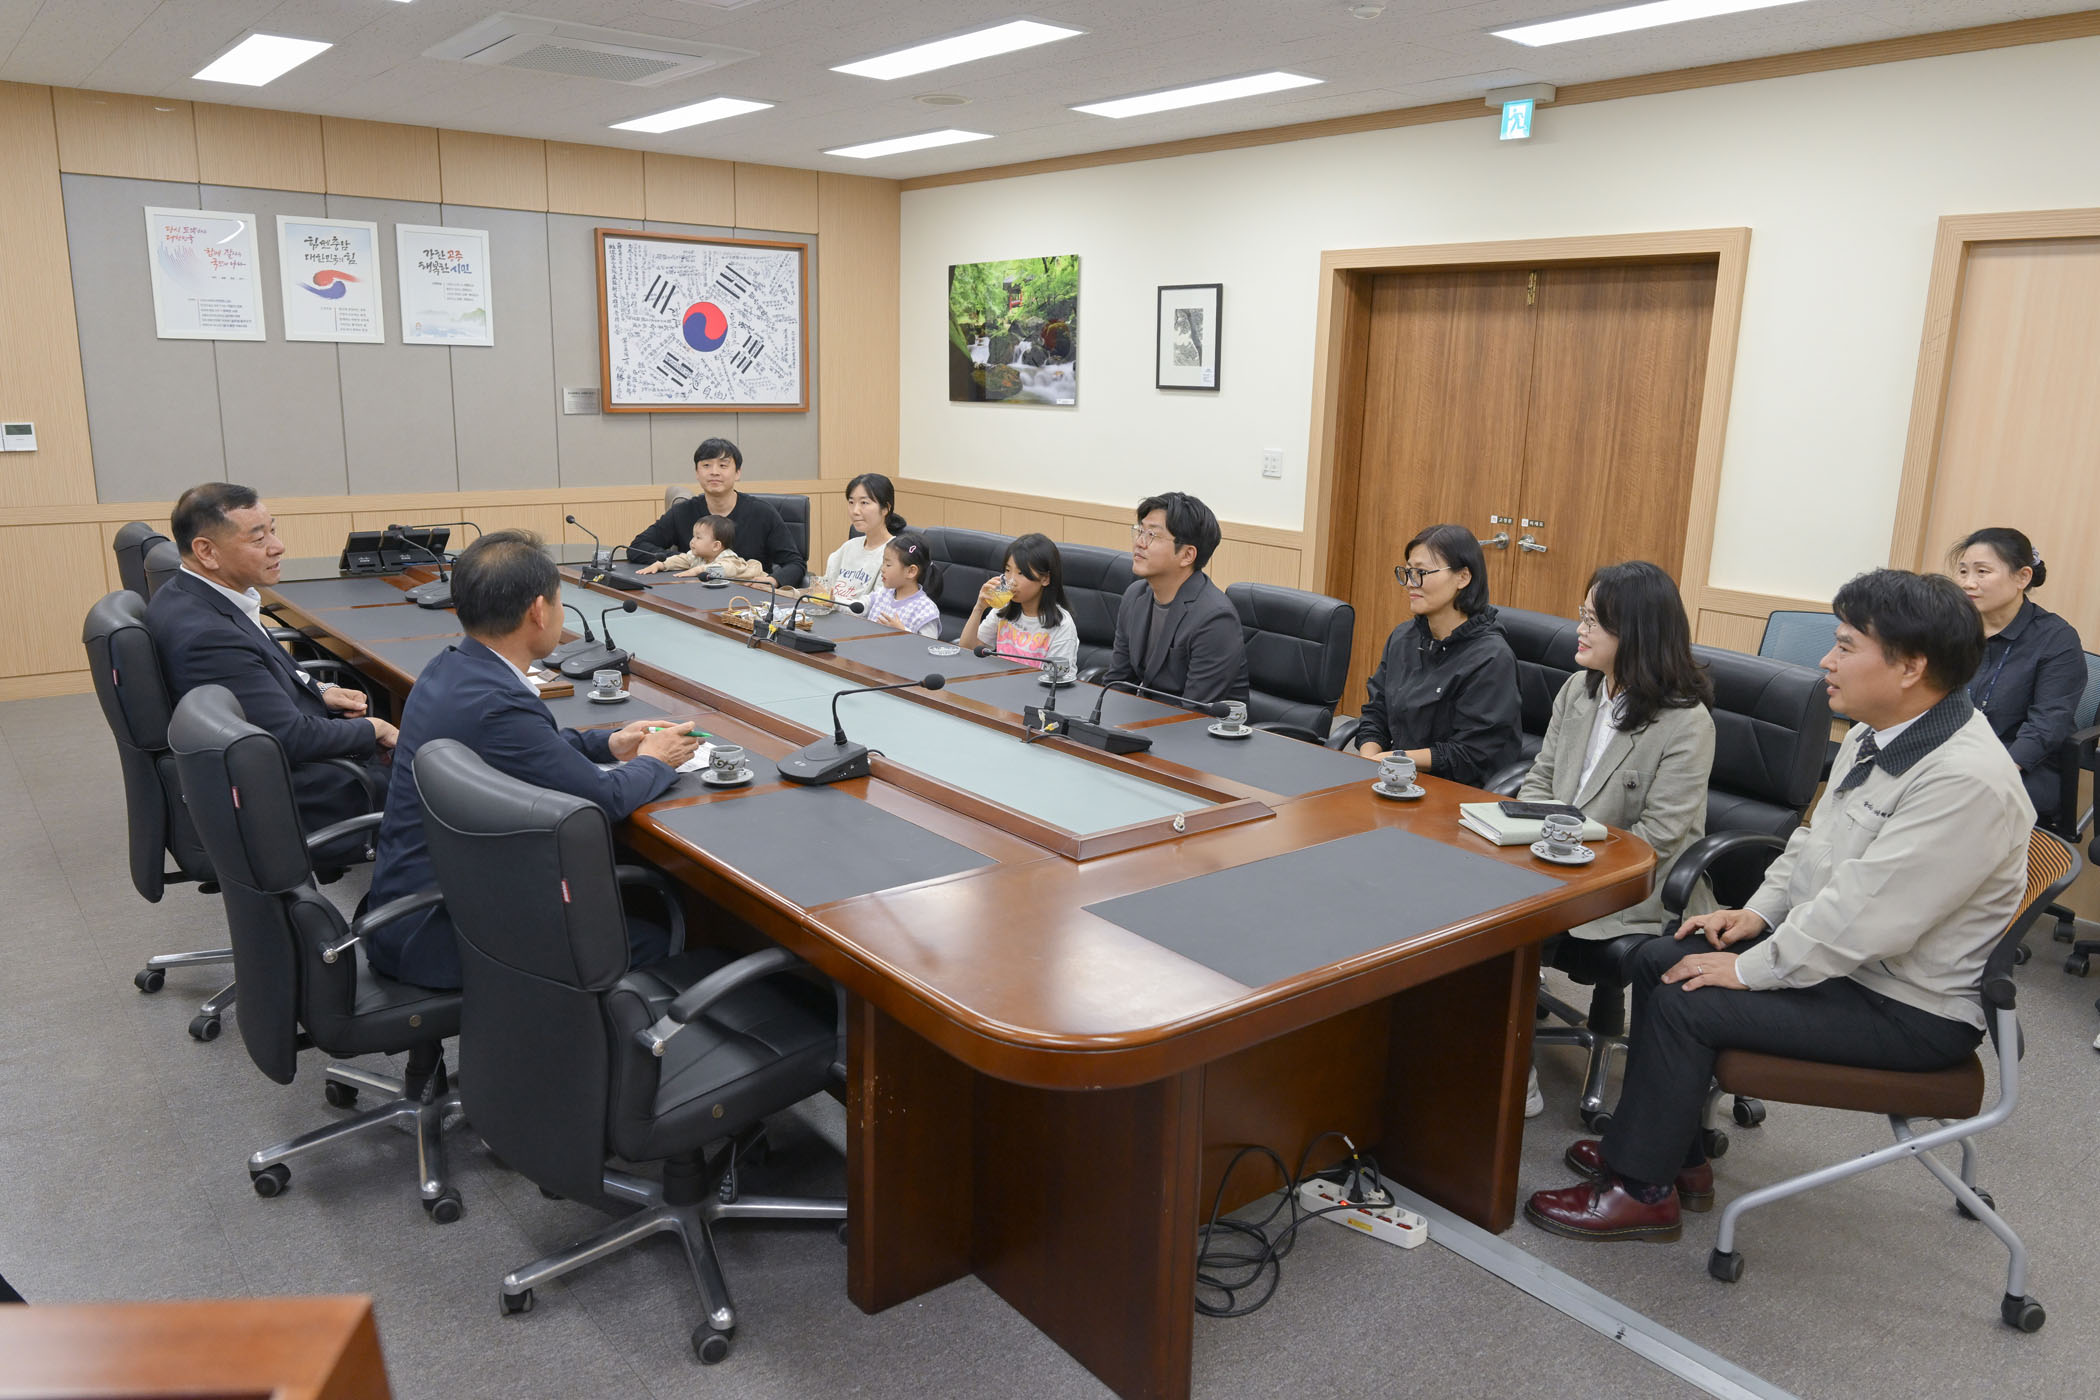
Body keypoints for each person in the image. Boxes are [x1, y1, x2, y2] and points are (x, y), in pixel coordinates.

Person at [1525, 569, 2031, 1244]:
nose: (1826, 661)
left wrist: (1749, 968)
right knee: (1660, 957)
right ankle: (1676, 1156)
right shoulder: (1878, 734)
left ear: (1910, 667)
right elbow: (1810, 847)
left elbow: (1864, 916)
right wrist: (1758, 915)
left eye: (1846, 646)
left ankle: (1640, 1190)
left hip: (1907, 1006)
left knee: (1687, 996)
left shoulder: (1964, 780)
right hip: (1847, 965)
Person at [363, 531, 702, 991]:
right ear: (539, 611)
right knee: (654, 935)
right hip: (441, 934)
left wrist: (609, 744)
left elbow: (532, 747)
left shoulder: (453, 667)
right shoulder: (500, 704)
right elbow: (604, 799)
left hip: (411, 910)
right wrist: (657, 760)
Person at [1518, 562, 1716, 1116]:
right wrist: (1535, 842)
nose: (1579, 630)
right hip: (1555, 862)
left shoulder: (1686, 723)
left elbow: (1660, 837)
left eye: (1593, 621)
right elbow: (1539, 781)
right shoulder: (1577, 691)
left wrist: (1565, 861)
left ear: (1636, 634)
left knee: (1506, 930)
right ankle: (1498, 1057)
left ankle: (1512, 1074)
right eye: (1581, 616)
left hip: (1637, 886)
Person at [147, 482, 394, 846]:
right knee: (432, 783)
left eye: (273, 531)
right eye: (258, 538)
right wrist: (374, 728)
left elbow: (264, 667)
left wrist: (321, 689)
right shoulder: (208, 636)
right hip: (295, 794)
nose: (278, 546)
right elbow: (290, 738)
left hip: (276, 764)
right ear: (207, 551)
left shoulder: (198, 595)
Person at [1353, 523, 1519, 787]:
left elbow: (1471, 753)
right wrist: (1368, 759)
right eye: (1408, 572)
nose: (1410, 583)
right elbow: (1376, 712)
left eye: (1421, 573)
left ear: (1463, 577)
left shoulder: (1491, 657)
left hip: (1459, 790)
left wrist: (1394, 759)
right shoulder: (1403, 637)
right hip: (1397, 779)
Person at [1948, 527, 2085, 824]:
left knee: (1960, 808)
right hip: (1953, 755)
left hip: (2023, 765)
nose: (1968, 582)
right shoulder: (1951, 627)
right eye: (1963, 571)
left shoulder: (2056, 638)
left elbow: (2048, 723)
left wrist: (1994, 773)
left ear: (2022, 577)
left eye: (1982, 571)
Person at [1105, 491, 1249, 705]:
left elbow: (1195, 711)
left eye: (1152, 535)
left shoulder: (1215, 618)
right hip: (1145, 716)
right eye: (1140, 531)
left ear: (1187, 555)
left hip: (1194, 723)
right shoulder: (1135, 596)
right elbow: (1118, 683)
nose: (1140, 543)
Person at [627, 438, 806, 585]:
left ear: (737, 473)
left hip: (750, 597)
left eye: (723, 465)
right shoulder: (683, 511)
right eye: (706, 465)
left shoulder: (762, 513)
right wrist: (687, 560)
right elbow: (637, 547)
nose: (714, 472)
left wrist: (772, 581)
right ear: (697, 473)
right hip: (695, 598)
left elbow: (795, 563)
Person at [961, 532, 1079, 670]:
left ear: (1045, 579)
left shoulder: (1062, 625)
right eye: (1007, 570)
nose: (1011, 580)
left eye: (1021, 573)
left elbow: (1056, 679)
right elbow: (967, 650)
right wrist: (979, 608)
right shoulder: (1003, 609)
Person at [818, 473, 905, 603]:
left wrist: (833, 603)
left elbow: (877, 605)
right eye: (851, 502)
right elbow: (825, 586)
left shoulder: (895, 553)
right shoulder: (849, 547)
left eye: (864, 503)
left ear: (885, 508)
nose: (855, 511)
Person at [862, 532, 943, 639]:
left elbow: (929, 646)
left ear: (911, 571)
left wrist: (903, 632)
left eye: (888, 565)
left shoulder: (926, 610)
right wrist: (839, 602)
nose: (882, 569)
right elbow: (860, 606)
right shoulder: (882, 593)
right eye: (883, 563)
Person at [634, 514, 763, 581]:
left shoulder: (730, 559)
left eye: (698, 538)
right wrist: (661, 565)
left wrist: (698, 570)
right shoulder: (699, 556)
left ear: (716, 545)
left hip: (757, 590)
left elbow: (724, 569)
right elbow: (681, 559)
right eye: (693, 536)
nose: (692, 541)